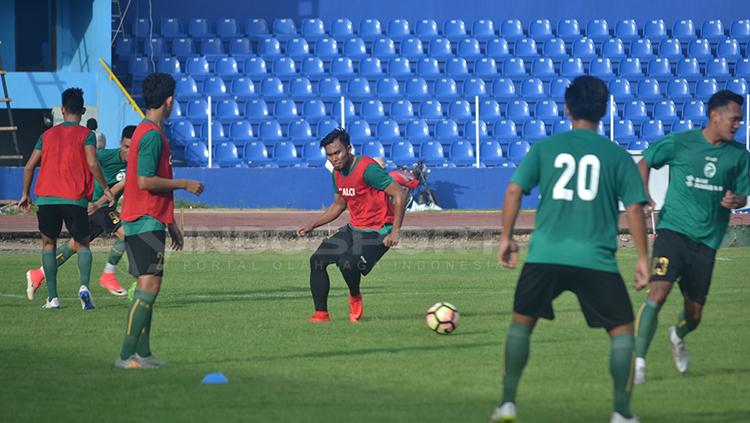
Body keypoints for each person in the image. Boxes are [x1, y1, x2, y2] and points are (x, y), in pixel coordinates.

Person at [490, 76, 650, 423]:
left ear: (567, 109)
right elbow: (636, 209)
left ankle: (506, 404)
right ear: (604, 110)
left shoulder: (546, 149)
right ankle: (621, 413)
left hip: (545, 255)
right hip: (596, 260)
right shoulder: (617, 156)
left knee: (521, 327)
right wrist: (642, 258)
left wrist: (506, 237)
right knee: (622, 332)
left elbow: (514, 191)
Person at [633, 90, 750, 384]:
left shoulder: (739, 156)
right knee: (657, 293)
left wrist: (737, 200)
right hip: (673, 231)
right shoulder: (681, 142)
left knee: (694, 315)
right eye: (734, 119)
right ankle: (638, 363)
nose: (738, 125)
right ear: (714, 116)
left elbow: (743, 195)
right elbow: (644, 162)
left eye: (740, 120)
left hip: (707, 242)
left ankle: (678, 334)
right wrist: (643, 195)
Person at [115, 73, 204, 369]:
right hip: (144, 219)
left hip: (149, 219)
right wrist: (184, 184)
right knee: (148, 287)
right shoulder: (152, 134)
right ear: (169, 101)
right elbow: (144, 180)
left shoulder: (145, 130)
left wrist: (171, 224)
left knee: (147, 285)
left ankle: (143, 353)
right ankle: (126, 356)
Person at [18, 87, 115, 310]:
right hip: (74, 198)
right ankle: (83, 287)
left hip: (46, 198)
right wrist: (106, 187)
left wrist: (25, 193)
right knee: (82, 244)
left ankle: (52, 298)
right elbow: (92, 163)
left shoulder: (47, 135)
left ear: (62, 109)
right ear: (82, 110)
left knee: (48, 244)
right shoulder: (86, 135)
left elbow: (29, 166)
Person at [297, 128, 407, 323]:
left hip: (379, 230)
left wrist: (395, 231)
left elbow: (399, 194)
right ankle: (321, 314)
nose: (334, 158)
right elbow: (339, 204)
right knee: (317, 260)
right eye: (329, 155)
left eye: (337, 152)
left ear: (348, 149)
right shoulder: (336, 173)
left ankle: (354, 295)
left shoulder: (368, 169)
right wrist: (312, 225)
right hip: (354, 228)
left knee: (346, 263)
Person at [25, 125, 137, 299]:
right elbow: (87, 164)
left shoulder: (136, 164)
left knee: (75, 246)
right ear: (121, 143)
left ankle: (38, 274)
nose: (130, 152)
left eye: (134, 148)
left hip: (101, 207)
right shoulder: (106, 156)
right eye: (127, 147)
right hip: (98, 206)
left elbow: (122, 186)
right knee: (129, 236)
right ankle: (108, 275)